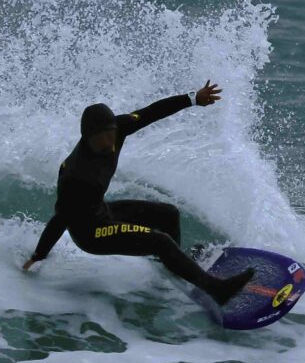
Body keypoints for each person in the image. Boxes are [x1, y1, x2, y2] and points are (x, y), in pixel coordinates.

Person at [22, 81, 254, 306]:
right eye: (103, 136)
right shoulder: (77, 174)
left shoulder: (118, 129)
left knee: (169, 214)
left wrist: (192, 98)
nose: (110, 140)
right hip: (90, 232)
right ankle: (217, 290)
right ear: (89, 135)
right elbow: (61, 218)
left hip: (102, 211)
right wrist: (38, 256)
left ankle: (174, 265)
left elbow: (152, 112)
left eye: (111, 132)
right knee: (160, 241)